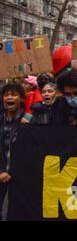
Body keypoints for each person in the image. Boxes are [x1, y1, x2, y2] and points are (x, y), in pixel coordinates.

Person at [0, 82, 26, 220]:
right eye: (6, 94)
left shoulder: (29, 120)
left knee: (18, 212)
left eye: (14, 94)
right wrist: (1, 170)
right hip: (1, 173)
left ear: (21, 98)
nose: (9, 97)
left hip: (20, 176)